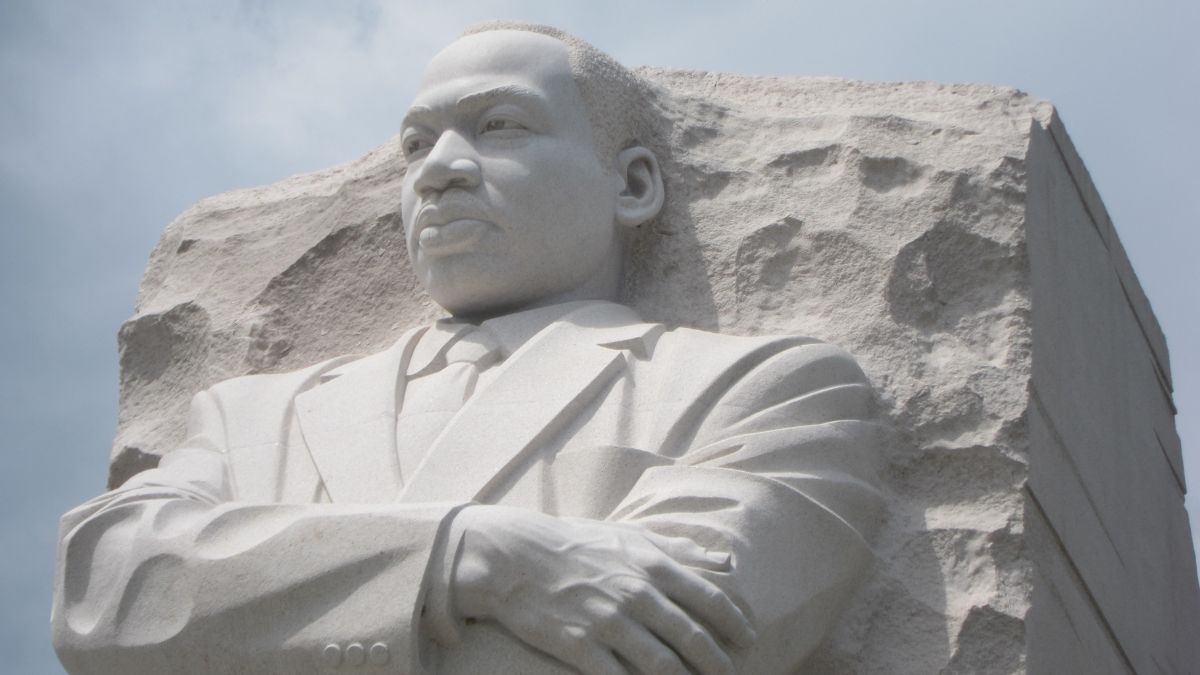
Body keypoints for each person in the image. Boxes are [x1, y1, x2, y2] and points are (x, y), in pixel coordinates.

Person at [52, 22, 884, 675]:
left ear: (631, 185)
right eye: (416, 144)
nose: (438, 169)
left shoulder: (765, 389)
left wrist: (247, 624)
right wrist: (472, 554)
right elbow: (107, 593)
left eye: (499, 126)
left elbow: (682, 638)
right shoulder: (251, 417)